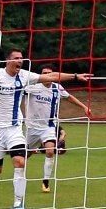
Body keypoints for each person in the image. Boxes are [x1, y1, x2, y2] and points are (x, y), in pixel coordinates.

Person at [0, 48, 92, 209]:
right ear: (7, 61)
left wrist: (75, 76)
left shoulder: (25, 76)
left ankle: (18, 204)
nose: (19, 61)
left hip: (15, 128)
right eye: (16, 58)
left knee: (20, 162)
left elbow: (50, 77)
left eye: (21, 58)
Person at [24, 64, 92, 192]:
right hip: (32, 127)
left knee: (50, 151)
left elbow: (69, 97)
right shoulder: (31, 86)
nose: (47, 75)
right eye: (44, 73)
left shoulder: (57, 88)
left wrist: (84, 107)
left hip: (48, 127)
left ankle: (45, 182)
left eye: (50, 73)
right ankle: (19, 173)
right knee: (24, 156)